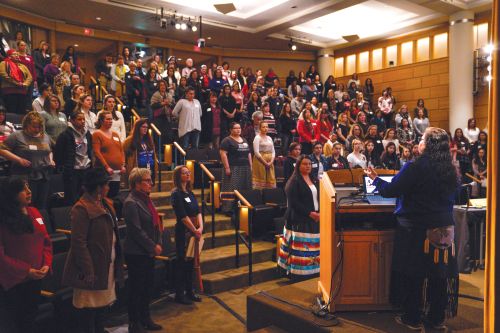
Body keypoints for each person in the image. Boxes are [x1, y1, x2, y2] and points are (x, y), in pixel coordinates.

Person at [365, 127, 459, 331]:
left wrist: (375, 179)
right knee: (439, 275)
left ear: (429, 144)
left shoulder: (415, 166)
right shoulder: (450, 167)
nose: (419, 142)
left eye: (422, 138)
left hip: (418, 228)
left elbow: (391, 190)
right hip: (445, 227)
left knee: (414, 273)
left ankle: (412, 317)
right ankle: (436, 317)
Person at [62, 168, 124, 333]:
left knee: (101, 309)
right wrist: (88, 270)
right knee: (89, 310)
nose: (109, 188)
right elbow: (78, 243)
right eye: (106, 185)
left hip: (106, 265)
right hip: (92, 268)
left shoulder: (105, 203)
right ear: (98, 187)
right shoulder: (81, 208)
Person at [0, 177, 52, 333]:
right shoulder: (2, 218)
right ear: (11, 194)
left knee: (30, 319)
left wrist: (46, 264)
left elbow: (46, 242)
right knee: (13, 323)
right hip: (12, 281)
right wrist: (26, 271)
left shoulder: (35, 212)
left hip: (35, 279)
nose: (29, 192)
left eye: (28, 187)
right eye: (23, 189)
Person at [123, 168, 164, 332]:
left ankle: (146, 318)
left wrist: (158, 241)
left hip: (148, 252)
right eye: (147, 180)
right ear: (137, 184)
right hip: (136, 253)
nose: (151, 183)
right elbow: (135, 230)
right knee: (136, 288)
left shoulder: (146, 199)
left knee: (147, 287)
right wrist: (153, 246)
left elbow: (156, 224)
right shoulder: (131, 202)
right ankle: (135, 322)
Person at [0, 112, 54, 209]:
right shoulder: (17, 136)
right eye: (34, 127)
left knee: (41, 205)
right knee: (27, 206)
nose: (37, 129)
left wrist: (51, 160)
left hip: (43, 177)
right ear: (26, 125)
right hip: (24, 177)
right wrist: (18, 159)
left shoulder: (45, 137)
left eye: (39, 127)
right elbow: (2, 150)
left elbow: (49, 151)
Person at [278, 155, 320, 277]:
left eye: (309, 164)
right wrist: (310, 213)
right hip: (299, 219)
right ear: (298, 166)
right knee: (301, 251)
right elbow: (294, 203)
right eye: (305, 164)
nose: (308, 166)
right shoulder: (293, 181)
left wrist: (319, 212)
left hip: (314, 217)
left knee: (314, 250)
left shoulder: (314, 179)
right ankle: (298, 274)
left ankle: (313, 271)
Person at [171, 165, 203, 305]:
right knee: (182, 262)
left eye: (188, 172)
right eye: (184, 173)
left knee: (191, 262)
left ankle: (190, 291)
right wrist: (193, 230)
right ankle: (180, 293)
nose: (188, 174)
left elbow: (198, 211)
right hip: (183, 232)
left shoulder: (190, 192)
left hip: (195, 231)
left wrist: (200, 227)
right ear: (178, 176)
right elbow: (183, 216)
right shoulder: (176, 193)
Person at [54, 111, 93, 205]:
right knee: (71, 199)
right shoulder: (65, 135)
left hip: (86, 169)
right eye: (79, 119)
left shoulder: (88, 134)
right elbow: (58, 154)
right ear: (72, 120)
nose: (83, 121)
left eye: (84, 119)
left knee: (85, 199)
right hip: (72, 171)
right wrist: (64, 168)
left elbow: (89, 151)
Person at [219, 122, 252, 212]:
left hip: (245, 168)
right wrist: (227, 168)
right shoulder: (226, 140)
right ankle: (228, 208)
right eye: (235, 128)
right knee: (232, 187)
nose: (238, 130)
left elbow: (248, 153)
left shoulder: (244, 140)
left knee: (245, 187)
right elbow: (223, 154)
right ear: (231, 130)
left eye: (239, 128)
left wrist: (251, 166)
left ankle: (242, 206)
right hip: (233, 167)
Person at [92, 111, 126, 198]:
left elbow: (121, 150)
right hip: (104, 171)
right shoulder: (97, 134)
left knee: (114, 194)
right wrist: (106, 166)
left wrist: (122, 164)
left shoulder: (115, 134)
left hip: (117, 172)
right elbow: (97, 152)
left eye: (111, 119)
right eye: (108, 119)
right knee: (105, 195)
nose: (110, 121)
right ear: (101, 121)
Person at [123, 119, 158, 187]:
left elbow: (153, 155)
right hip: (138, 169)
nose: (145, 129)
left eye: (146, 127)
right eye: (143, 127)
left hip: (150, 168)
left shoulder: (149, 140)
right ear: (137, 127)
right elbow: (124, 155)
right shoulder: (129, 141)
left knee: (148, 189)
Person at [0, 50, 33, 114]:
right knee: (11, 110)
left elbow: (30, 77)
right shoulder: (3, 63)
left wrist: (25, 84)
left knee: (22, 111)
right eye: (15, 54)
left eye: (18, 54)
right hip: (9, 91)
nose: (17, 56)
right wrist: (16, 83)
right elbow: (4, 74)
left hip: (22, 91)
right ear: (9, 56)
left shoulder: (23, 66)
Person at [252, 122, 276, 189]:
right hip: (260, 161)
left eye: (266, 127)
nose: (265, 128)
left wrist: (271, 162)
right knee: (261, 177)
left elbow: (273, 151)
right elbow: (256, 152)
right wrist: (265, 163)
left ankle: (268, 196)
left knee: (270, 178)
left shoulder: (269, 138)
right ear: (260, 128)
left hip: (269, 161)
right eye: (263, 127)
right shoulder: (257, 138)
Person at [150, 80, 175, 145]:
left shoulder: (169, 95)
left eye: (164, 85)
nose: (163, 86)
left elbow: (173, 105)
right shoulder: (155, 95)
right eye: (161, 85)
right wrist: (162, 103)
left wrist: (168, 104)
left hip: (167, 117)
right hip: (158, 117)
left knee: (167, 134)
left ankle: (165, 149)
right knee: (159, 134)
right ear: (158, 86)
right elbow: (153, 105)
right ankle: (159, 148)